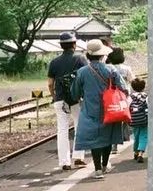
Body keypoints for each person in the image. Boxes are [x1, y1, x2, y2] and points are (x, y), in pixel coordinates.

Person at [70, 39, 129, 179]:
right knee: (107, 137)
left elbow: (75, 93)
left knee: (94, 139)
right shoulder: (111, 69)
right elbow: (124, 88)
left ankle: (97, 169)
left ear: (88, 56)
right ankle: (104, 164)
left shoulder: (82, 72)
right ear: (102, 55)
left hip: (90, 109)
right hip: (110, 109)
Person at [46, 31, 88, 170]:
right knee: (79, 127)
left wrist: (54, 96)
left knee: (62, 130)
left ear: (61, 45)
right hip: (76, 98)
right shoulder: (80, 59)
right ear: (74, 44)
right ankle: (78, 158)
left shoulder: (54, 62)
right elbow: (85, 79)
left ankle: (65, 162)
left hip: (60, 99)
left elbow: (50, 84)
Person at [129, 78, 148, 163]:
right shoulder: (145, 96)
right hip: (144, 119)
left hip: (134, 120)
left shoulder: (130, 97)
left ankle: (135, 152)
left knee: (136, 136)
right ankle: (140, 153)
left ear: (133, 87)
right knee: (144, 136)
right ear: (144, 87)